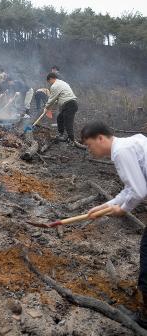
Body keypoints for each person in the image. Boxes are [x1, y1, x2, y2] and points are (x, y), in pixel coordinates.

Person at [81, 121, 147, 329]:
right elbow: (130, 189)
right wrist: (104, 206)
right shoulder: (131, 143)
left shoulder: (121, 152)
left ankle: (145, 317)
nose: (90, 151)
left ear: (101, 138)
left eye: (89, 145)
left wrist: (123, 209)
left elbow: (138, 192)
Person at [45, 72, 78, 143]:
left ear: (50, 79)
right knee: (60, 118)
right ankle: (61, 134)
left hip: (69, 104)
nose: (49, 83)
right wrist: (50, 106)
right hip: (70, 104)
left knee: (68, 123)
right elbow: (58, 98)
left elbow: (52, 99)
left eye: (49, 81)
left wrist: (46, 107)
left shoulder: (55, 86)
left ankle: (71, 139)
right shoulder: (62, 82)